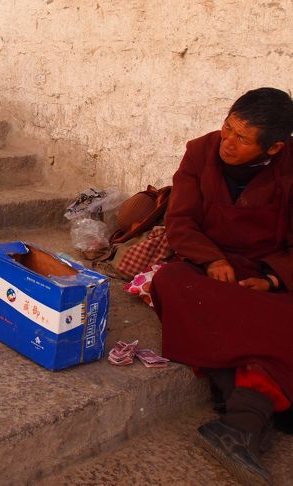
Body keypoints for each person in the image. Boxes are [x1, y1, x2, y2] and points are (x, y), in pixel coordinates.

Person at [150, 87, 293, 485]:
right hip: (204, 267)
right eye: (227, 128)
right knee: (170, 281)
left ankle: (238, 420)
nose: (226, 143)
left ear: (275, 148)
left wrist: (271, 279)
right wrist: (211, 259)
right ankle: (246, 415)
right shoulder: (200, 152)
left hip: (263, 274)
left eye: (241, 139)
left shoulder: (291, 169)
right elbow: (179, 221)